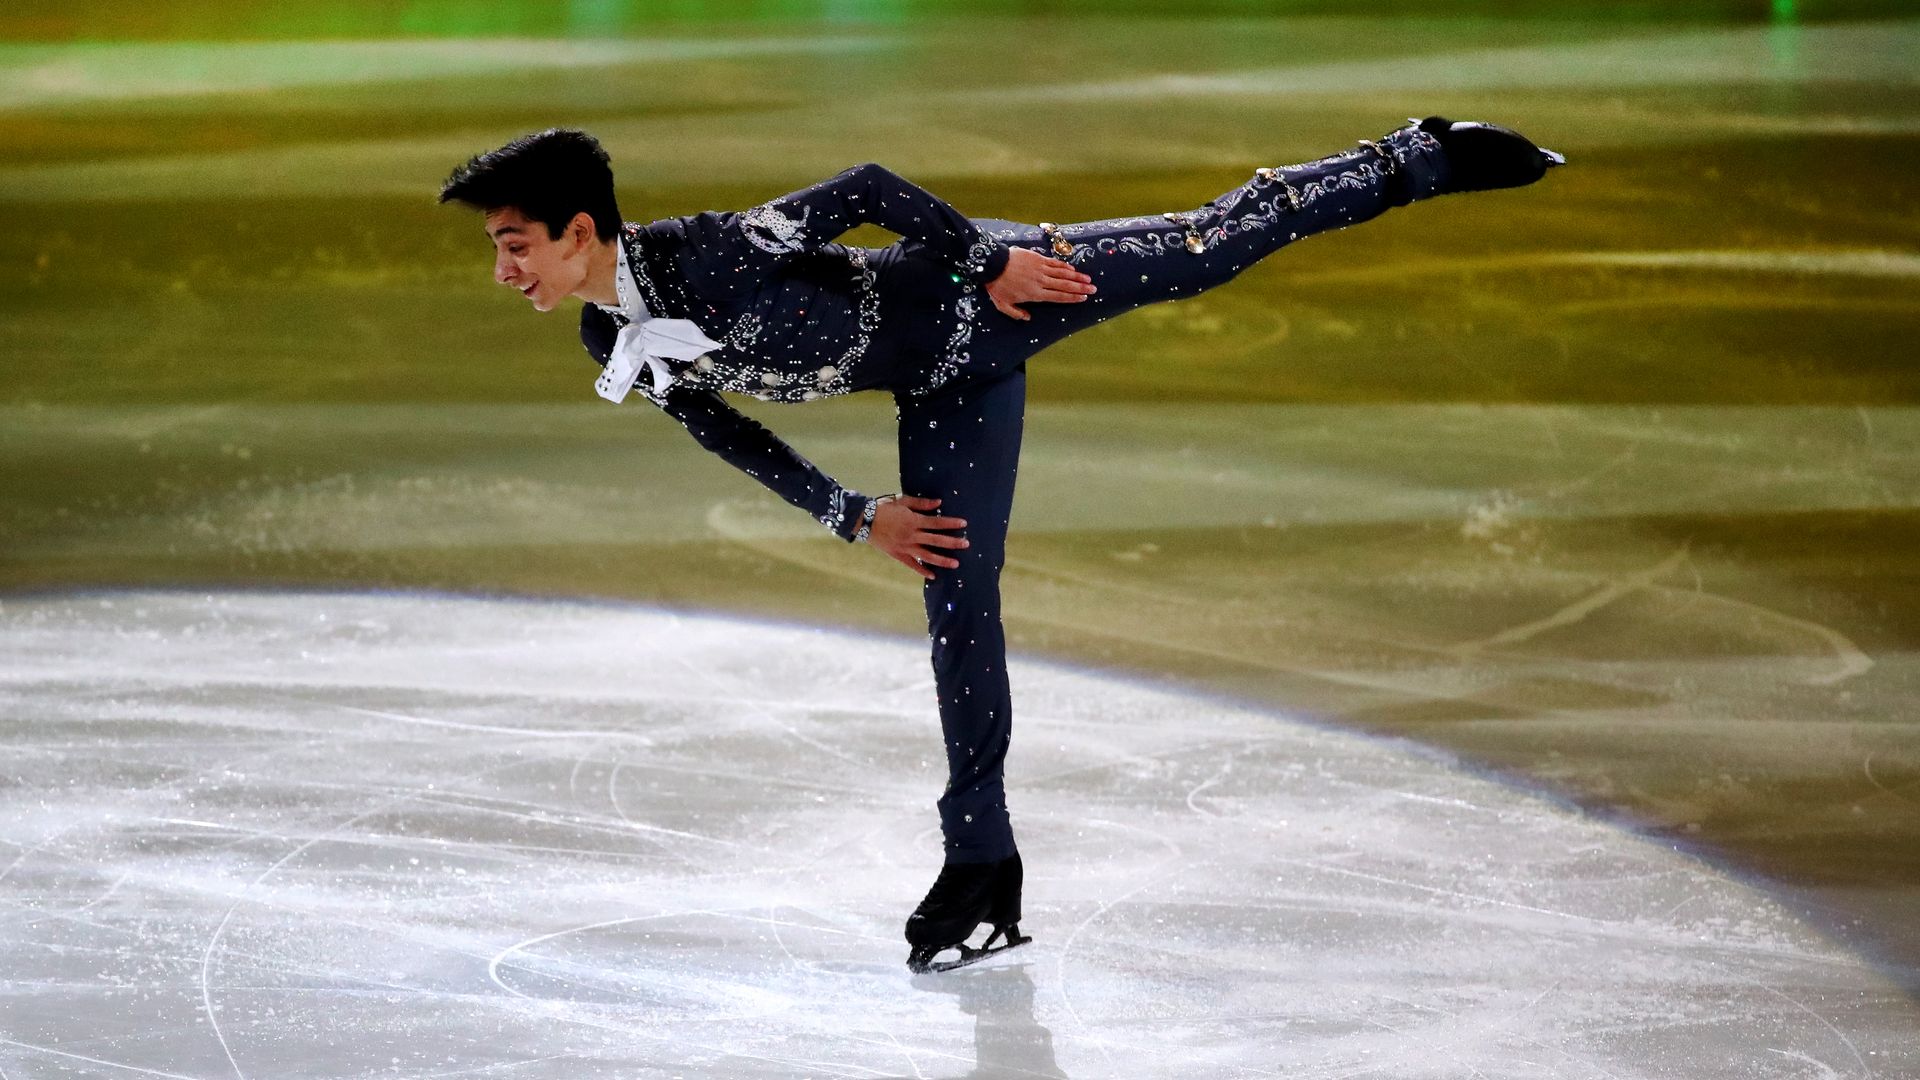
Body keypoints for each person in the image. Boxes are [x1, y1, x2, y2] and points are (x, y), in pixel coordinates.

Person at [438, 116, 1563, 973]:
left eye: (513, 243)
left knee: (1208, 246)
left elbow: (869, 190)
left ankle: (1409, 160)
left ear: (578, 230)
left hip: (1005, 292)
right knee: (958, 608)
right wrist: (855, 513)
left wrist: (989, 263)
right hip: (943, 391)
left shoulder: (718, 254)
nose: (503, 270)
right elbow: (721, 426)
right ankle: (982, 861)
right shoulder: (609, 325)